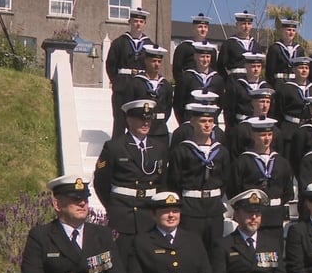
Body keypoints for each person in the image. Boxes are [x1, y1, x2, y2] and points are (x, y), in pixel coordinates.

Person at [93, 100, 167, 263]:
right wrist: (113, 206)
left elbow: (162, 182)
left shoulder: (159, 147)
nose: (146, 123)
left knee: (149, 262)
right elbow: (101, 182)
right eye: (141, 119)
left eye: (148, 119)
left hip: (149, 213)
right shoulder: (115, 146)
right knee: (122, 260)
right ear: (129, 120)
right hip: (124, 213)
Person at [166, 103, 230, 252]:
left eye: (210, 121)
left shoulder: (221, 151)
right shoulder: (182, 150)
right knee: (191, 251)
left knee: (215, 251)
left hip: (214, 208)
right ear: (192, 122)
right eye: (203, 121)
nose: (207, 125)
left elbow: (225, 179)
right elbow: (173, 181)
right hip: (190, 208)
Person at [228, 116, 294, 231]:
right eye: (262, 135)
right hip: (251, 215)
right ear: (253, 135)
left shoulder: (281, 162)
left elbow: (288, 192)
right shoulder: (242, 162)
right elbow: (233, 189)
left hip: (275, 216)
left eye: (269, 135)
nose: (267, 139)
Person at [105, 7, 153, 138]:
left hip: (141, 85)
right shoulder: (119, 42)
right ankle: (117, 147)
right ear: (130, 22)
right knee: (120, 121)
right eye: (135, 21)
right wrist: (116, 81)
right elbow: (110, 64)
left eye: (141, 22)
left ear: (145, 24)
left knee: (139, 119)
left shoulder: (149, 44)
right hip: (123, 84)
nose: (138, 24)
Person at [273, 56, 312, 162]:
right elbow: (278, 112)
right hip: (291, 130)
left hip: (308, 130)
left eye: (306, 68)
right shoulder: (285, 89)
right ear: (294, 69)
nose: (304, 70)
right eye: (301, 68)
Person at [128, 44, 174, 140]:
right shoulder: (135, 82)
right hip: (141, 129)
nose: (157, 64)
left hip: (160, 131)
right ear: (146, 61)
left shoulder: (165, 85)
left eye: (159, 61)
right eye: (153, 61)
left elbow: (168, 107)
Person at [173, 41, 224, 124]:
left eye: (208, 57)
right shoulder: (186, 77)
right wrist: (184, 123)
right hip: (190, 122)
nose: (205, 60)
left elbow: (220, 104)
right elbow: (178, 104)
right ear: (195, 57)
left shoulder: (218, 79)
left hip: (210, 123)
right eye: (202, 56)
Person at [226, 88, 285, 158]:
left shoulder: (275, 130)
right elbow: (234, 155)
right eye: (262, 102)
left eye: (268, 102)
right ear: (253, 103)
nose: (265, 106)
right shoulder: (241, 129)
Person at [223, 52, 271, 130]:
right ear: (246, 66)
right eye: (253, 66)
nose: (256, 69)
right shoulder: (236, 86)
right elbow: (229, 111)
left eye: (259, 66)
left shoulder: (266, 87)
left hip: (260, 127)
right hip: (240, 125)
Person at [172, 13, 216, 85]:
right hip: (188, 83)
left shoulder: (212, 49)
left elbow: (213, 69)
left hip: (206, 84)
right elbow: (177, 70)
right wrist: (182, 85)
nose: (203, 29)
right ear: (193, 28)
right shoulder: (184, 47)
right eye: (200, 27)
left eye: (205, 27)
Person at [217, 10, 262, 79]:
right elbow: (221, 66)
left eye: (249, 24)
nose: (246, 27)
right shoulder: (229, 44)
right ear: (237, 25)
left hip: (252, 81)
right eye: (243, 24)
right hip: (235, 80)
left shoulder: (256, 45)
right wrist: (228, 81)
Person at [266, 18, 305, 86]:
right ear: (282, 30)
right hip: (279, 83)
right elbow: (270, 72)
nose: (291, 33)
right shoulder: (275, 48)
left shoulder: (299, 50)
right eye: (288, 30)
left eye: (293, 30)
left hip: (294, 84)